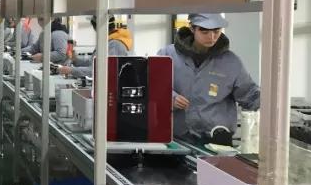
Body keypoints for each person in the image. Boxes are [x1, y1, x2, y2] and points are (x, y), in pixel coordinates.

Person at [156, 13, 261, 144]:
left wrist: (273, 106)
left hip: (216, 140)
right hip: (175, 138)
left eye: (216, 31)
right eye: (204, 31)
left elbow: (250, 95)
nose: (211, 37)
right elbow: (153, 86)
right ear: (192, 28)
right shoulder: (168, 55)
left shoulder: (231, 62)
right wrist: (170, 98)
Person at [58, 17, 132, 79]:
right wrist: (76, 60)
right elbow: (92, 62)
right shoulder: (108, 41)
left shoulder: (115, 44)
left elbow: (99, 71)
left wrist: (71, 70)